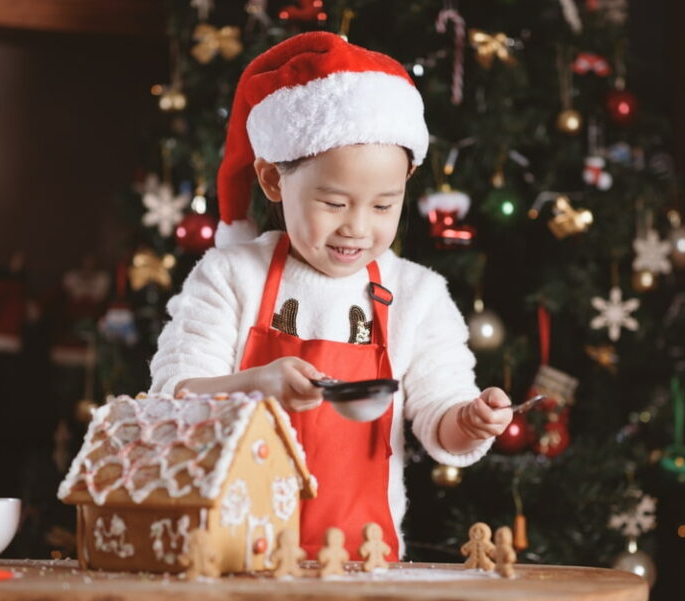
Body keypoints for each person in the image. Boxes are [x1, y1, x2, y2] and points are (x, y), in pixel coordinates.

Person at [149, 31, 513, 561]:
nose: (357, 229)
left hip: (362, 564)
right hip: (230, 560)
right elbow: (169, 404)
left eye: (384, 206)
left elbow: (440, 422)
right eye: (334, 202)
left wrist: (470, 421)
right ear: (273, 180)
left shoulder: (419, 296)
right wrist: (257, 385)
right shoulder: (230, 276)